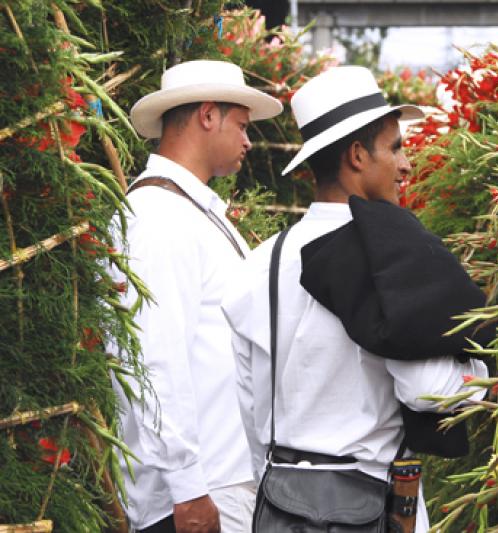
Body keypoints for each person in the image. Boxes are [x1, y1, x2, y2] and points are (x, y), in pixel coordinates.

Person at [221, 66, 490, 532]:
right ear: (358, 155)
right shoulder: (390, 255)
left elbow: (248, 407)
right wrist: (485, 373)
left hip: (281, 504)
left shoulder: (259, 265)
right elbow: (425, 389)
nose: (406, 165)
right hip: (371, 504)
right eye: (396, 147)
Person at [112, 59, 282, 533]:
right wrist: (188, 488)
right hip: (194, 494)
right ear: (209, 115)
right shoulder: (158, 217)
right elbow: (152, 359)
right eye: (242, 125)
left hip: (220, 480)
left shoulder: (191, 210)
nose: (249, 141)